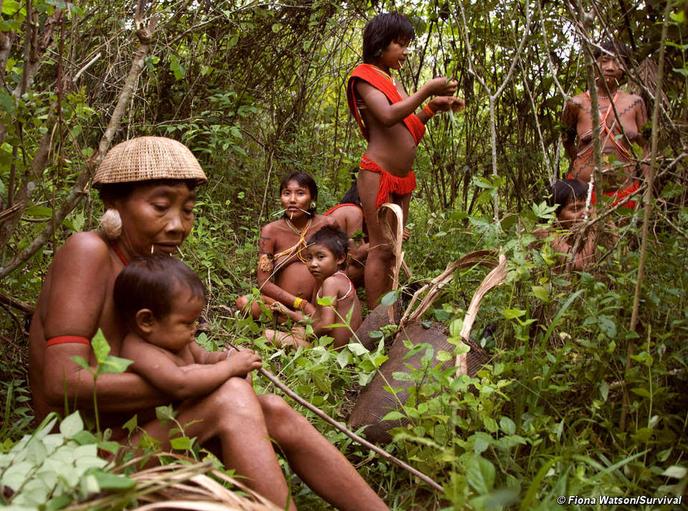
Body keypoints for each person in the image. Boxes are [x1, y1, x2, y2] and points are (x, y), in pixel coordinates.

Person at [28, 136, 388, 511]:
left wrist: (219, 363)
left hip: (135, 435)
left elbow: (179, 355)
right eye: (160, 207)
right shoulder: (88, 251)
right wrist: (196, 383)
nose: (177, 225)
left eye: (187, 210)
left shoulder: (145, 271)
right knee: (228, 399)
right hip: (78, 462)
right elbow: (63, 382)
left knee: (274, 410)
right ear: (113, 203)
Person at [347, 11, 464, 307]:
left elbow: (406, 131)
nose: (406, 51)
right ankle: (376, 321)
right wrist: (427, 90)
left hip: (402, 179)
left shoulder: (390, 81)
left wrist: (432, 108)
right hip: (378, 173)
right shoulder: (363, 77)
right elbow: (387, 117)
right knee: (380, 249)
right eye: (400, 44)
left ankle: (390, 313)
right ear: (380, 44)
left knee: (393, 250)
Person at [116, 255, 262, 400]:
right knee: (236, 389)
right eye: (187, 323)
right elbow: (181, 384)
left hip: (194, 414)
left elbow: (204, 358)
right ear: (146, 321)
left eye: (195, 321)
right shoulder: (139, 350)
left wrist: (228, 356)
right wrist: (230, 367)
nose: (194, 328)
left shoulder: (180, 341)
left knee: (273, 403)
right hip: (170, 421)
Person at [235, 172, 336, 320]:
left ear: (313, 198)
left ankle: (309, 320)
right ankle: (295, 319)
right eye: (287, 193)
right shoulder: (271, 231)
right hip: (283, 305)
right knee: (244, 302)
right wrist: (301, 304)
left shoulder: (327, 225)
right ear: (281, 198)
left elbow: (341, 267)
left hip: (322, 303)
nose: (292, 200)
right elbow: (264, 282)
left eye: (300, 193)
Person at [561, 39, 648, 208]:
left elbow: (647, 146)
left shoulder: (635, 103)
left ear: (625, 68)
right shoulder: (575, 104)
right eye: (604, 61)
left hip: (625, 192)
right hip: (582, 193)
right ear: (594, 65)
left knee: (624, 234)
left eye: (618, 61)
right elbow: (567, 141)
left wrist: (646, 184)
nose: (610, 67)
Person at [266, 226, 362, 349]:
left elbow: (327, 324)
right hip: (344, 349)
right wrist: (288, 312)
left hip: (332, 352)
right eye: (309, 258)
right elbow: (317, 319)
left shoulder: (331, 283)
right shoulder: (341, 280)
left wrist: (307, 335)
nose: (313, 264)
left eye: (321, 257)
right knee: (297, 320)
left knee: (268, 335)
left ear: (340, 258)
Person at [544, 179, 599, 271]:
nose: (585, 213)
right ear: (555, 215)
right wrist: (595, 225)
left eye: (588, 207)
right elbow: (578, 265)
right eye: (575, 209)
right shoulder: (545, 233)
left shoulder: (584, 232)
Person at [324, 183, 368, 287]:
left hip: (326, 267)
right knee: (379, 261)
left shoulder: (351, 210)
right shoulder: (353, 211)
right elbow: (356, 257)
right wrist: (388, 240)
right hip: (324, 272)